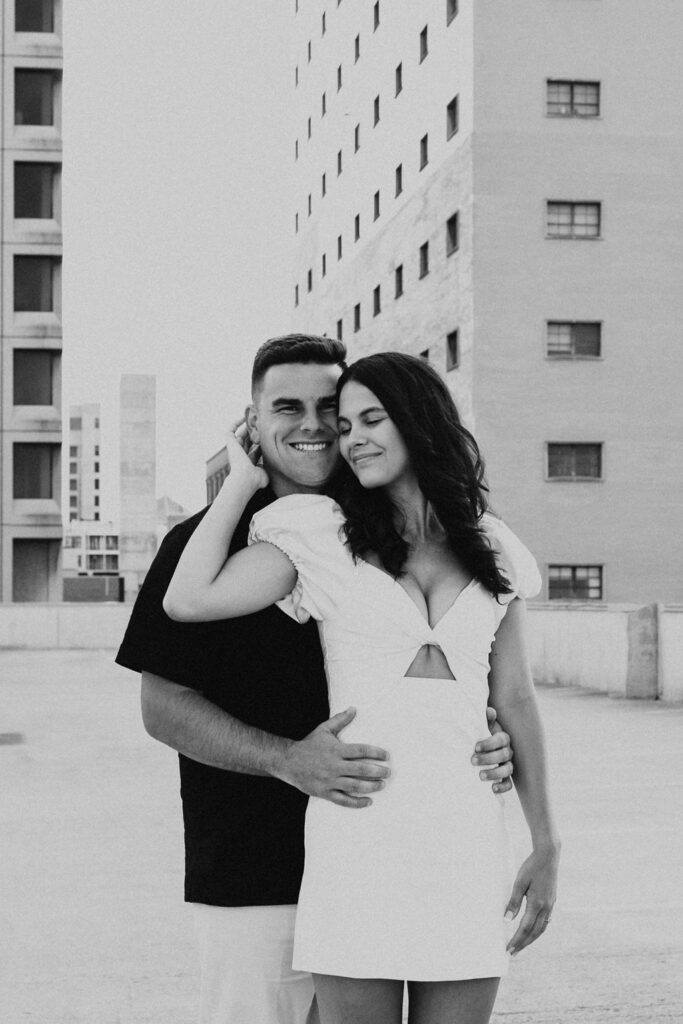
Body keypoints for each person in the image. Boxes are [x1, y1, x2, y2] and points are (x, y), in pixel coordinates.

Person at [116, 335, 517, 1024]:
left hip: (389, 851)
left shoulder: (377, 529)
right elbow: (162, 707)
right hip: (255, 870)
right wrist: (287, 760)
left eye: (329, 407)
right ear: (251, 419)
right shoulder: (202, 544)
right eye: (285, 406)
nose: (310, 424)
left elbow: (458, 661)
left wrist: (488, 736)